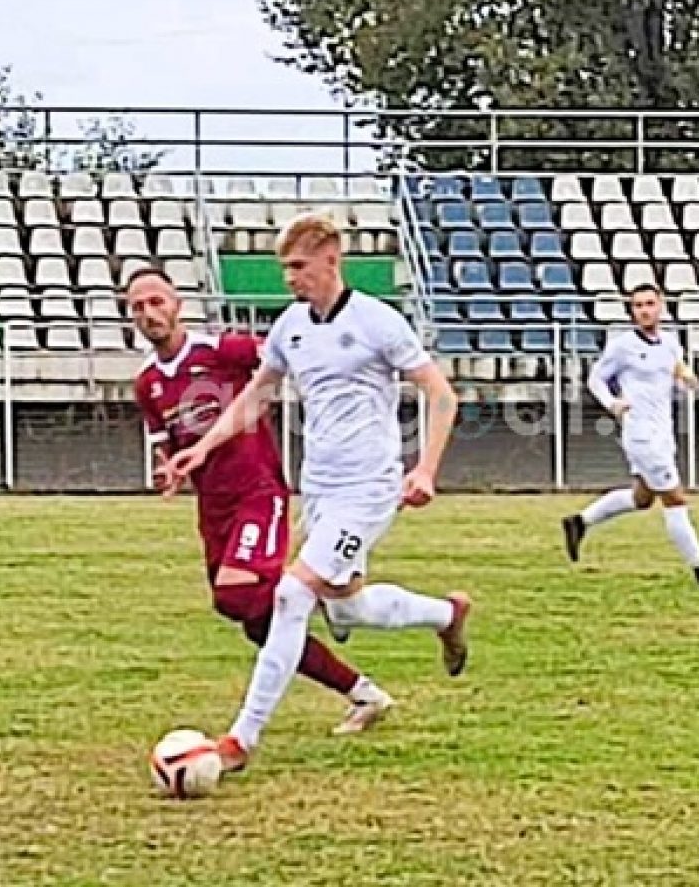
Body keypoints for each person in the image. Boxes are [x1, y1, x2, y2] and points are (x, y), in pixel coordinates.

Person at [160, 213, 471, 773]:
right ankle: (446, 614)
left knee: (290, 595)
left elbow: (441, 394)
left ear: (331, 258)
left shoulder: (378, 320)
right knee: (347, 605)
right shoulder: (290, 327)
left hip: (369, 488)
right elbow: (256, 395)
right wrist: (202, 448)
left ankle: (241, 739)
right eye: (285, 268)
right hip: (321, 489)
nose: (290, 278)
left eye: (299, 266)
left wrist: (425, 469)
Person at [127, 266, 394, 736]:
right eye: (137, 307)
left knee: (240, 591)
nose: (149, 313)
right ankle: (363, 693)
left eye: (156, 301)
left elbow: (286, 358)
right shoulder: (147, 382)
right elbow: (164, 440)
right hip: (213, 506)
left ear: (177, 305)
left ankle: (318, 594)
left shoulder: (221, 351)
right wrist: (168, 469)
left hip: (258, 492)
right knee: (250, 617)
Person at [561, 284, 699, 584]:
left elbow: (675, 365)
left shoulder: (670, 342)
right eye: (638, 305)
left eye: (649, 304)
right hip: (641, 435)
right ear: (631, 311)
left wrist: (686, 376)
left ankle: (580, 521)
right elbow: (595, 378)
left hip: (663, 432)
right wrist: (611, 403)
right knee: (675, 498)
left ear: (661, 307)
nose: (644, 310)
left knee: (642, 498)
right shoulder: (622, 346)